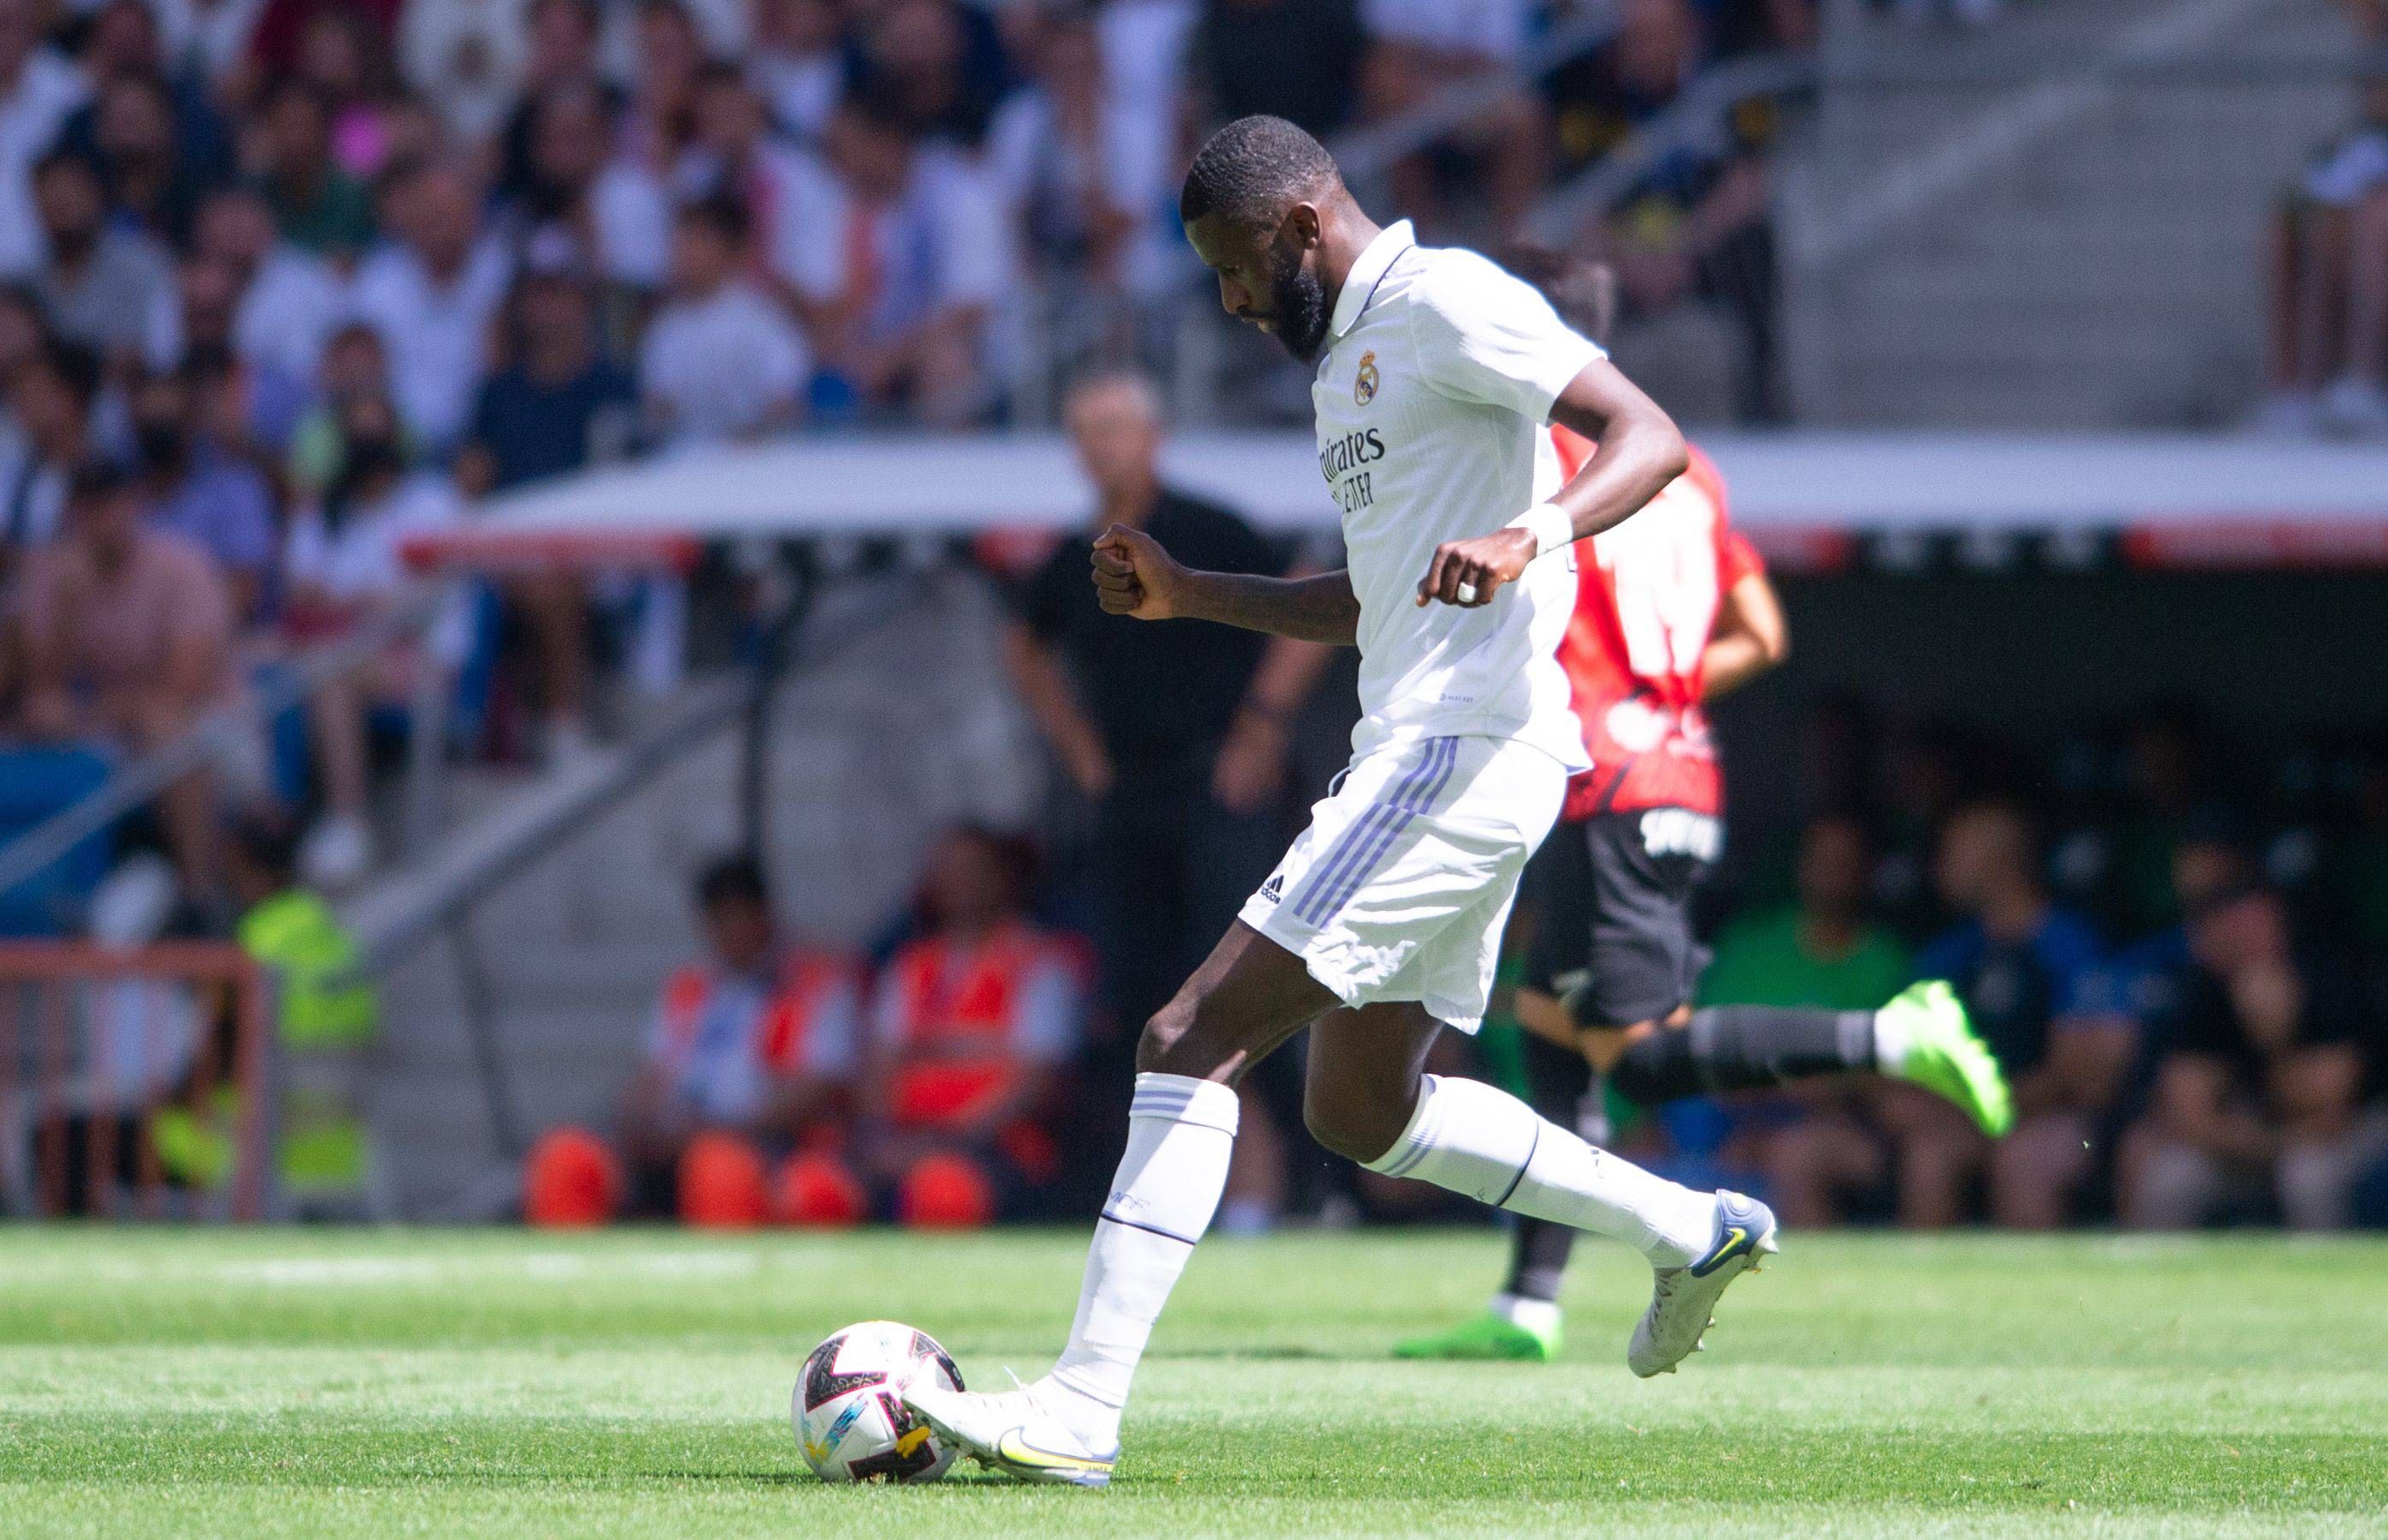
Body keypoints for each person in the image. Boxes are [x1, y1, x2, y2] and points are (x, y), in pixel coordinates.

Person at [903, 115, 1765, 1487]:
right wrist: (1191, 594)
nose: (1232, 302)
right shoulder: (1346, 368)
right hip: (1454, 750)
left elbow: (1648, 436)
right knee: (1361, 1113)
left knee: (1187, 1033)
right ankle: (1690, 1230)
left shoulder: (1446, 300)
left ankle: (1079, 1407)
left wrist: (1528, 531)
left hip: (1453, 749)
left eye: (1236, 267)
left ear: (1302, 225)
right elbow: (1372, 600)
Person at [1396, 253, 2008, 1363]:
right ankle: (1527, 1304)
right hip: (1672, 772)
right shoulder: (1683, 468)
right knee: (1554, 1035)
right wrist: (1661, 698)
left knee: (1635, 1053)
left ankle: (1891, 1033)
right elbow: (1761, 634)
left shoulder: (1540, 453)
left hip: (1602, 780)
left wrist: (1610, 705)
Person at [1009, 369, 1329, 1228]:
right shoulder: (1074, 556)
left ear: (1153, 437)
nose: (1100, 445)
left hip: (1217, 785)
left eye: (1114, 426)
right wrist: (1080, 752)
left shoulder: (1206, 529)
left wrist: (1261, 726)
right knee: (1143, 994)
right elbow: (1024, 645)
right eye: (1085, 430)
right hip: (1130, 796)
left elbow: (1313, 599)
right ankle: (1166, 1195)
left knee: (1237, 984)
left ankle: (1286, 1191)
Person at [519, 855, 865, 1226]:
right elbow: (651, 1078)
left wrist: (718, 1132)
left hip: (766, 1147)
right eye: (719, 919)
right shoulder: (689, 988)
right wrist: (639, 1123)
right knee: (565, 1155)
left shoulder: (817, 983)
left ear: (763, 913)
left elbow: (817, 1088)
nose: (730, 930)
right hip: (678, 1140)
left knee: (718, 1167)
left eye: (738, 915)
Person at [837, 826, 1089, 1228]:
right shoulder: (910, 966)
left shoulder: (1040, 964)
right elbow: (877, 1068)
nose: (959, 881)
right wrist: (881, 1138)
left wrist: (946, 1141)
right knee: (816, 1185)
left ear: (1003, 878)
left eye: (972, 869)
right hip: (901, 1142)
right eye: (948, 870)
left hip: (997, 1149)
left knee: (942, 1191)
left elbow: (1038, 1081)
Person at [2120, 884, 2388, 1230]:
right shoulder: (2202, 993)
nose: (2244, 937)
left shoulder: (2327, 977)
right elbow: (2190, 1117)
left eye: (2256, 925)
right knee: (2173, 1177)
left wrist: (2274, 1040)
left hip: (2353, 1130)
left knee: (2306, 1175)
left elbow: (2329, 1104)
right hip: (2255, 1138)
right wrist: (2269, 1144)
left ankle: (2325, 1267)